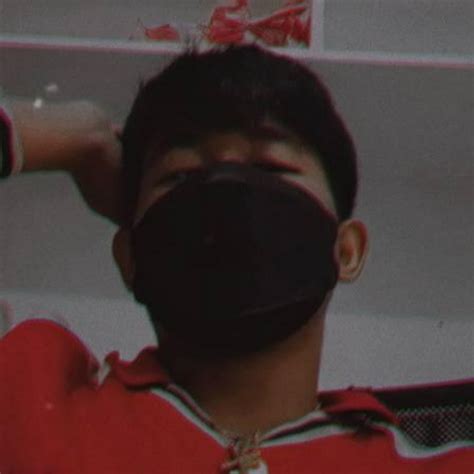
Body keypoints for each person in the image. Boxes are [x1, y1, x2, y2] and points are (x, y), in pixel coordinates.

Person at [0, 45, 472, 473]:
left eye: (270, 168)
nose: (226, 197)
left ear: (346, 250)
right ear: (129, 256)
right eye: (181, 176)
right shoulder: (31, 393)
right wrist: (69, 137)